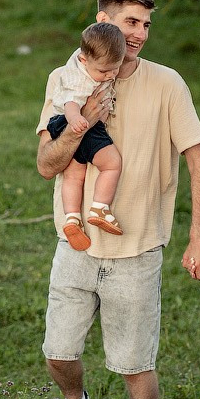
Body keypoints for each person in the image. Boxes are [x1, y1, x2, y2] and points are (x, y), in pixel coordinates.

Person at [35, 0, 200, 399]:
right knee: (57, 351)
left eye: (146, 24)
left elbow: (197, 156)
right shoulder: (66, 79)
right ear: (102, 21)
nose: (140, 34)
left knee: (135, 361)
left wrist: (199, 234)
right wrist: (78, 126)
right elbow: (46, 165)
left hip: (138, 246)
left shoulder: (167, 83)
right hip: (76, 242)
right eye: (130, 22)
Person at [42, 22, 128, 250]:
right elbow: (71, 101)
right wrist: (77, 120)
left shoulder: (86, 58)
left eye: (115, 69)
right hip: (77, 122)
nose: (110, 75)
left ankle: (72, 218)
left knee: (73, 176)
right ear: (83, 60)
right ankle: (100, 207)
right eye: (104, 71)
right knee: (112, 164)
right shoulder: (79, 79)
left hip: (59, 125)